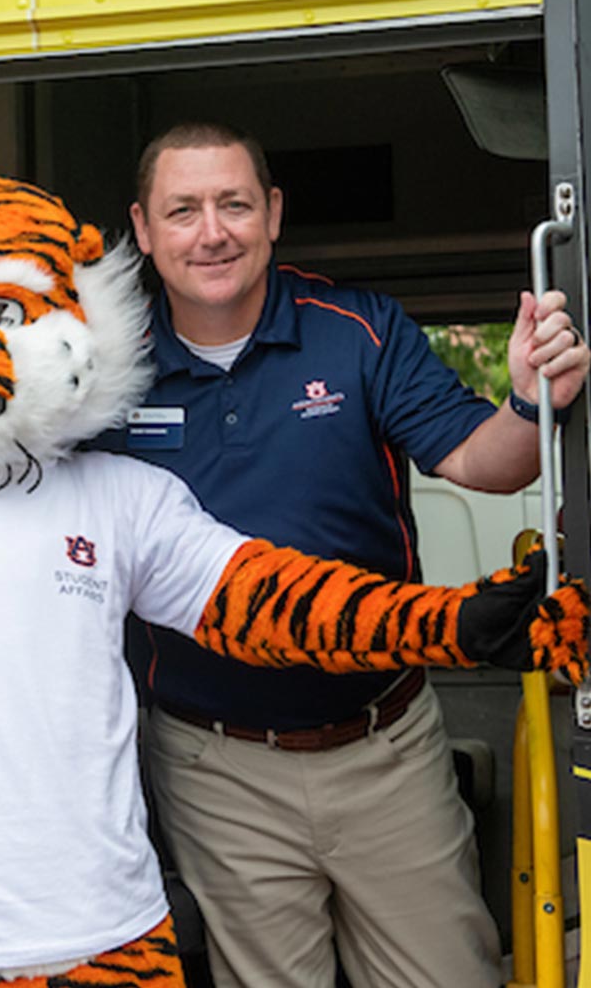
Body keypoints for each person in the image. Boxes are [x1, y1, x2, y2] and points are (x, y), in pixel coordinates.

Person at [106, 122, 591, 988]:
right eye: (183, 211)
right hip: (211, 762)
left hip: (385, 746)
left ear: (274, 214)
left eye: (234, 205)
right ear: (143, 229)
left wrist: (525, 403)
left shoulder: (358, 331)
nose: (211, 232)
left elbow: (480, 462)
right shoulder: (102, 369)